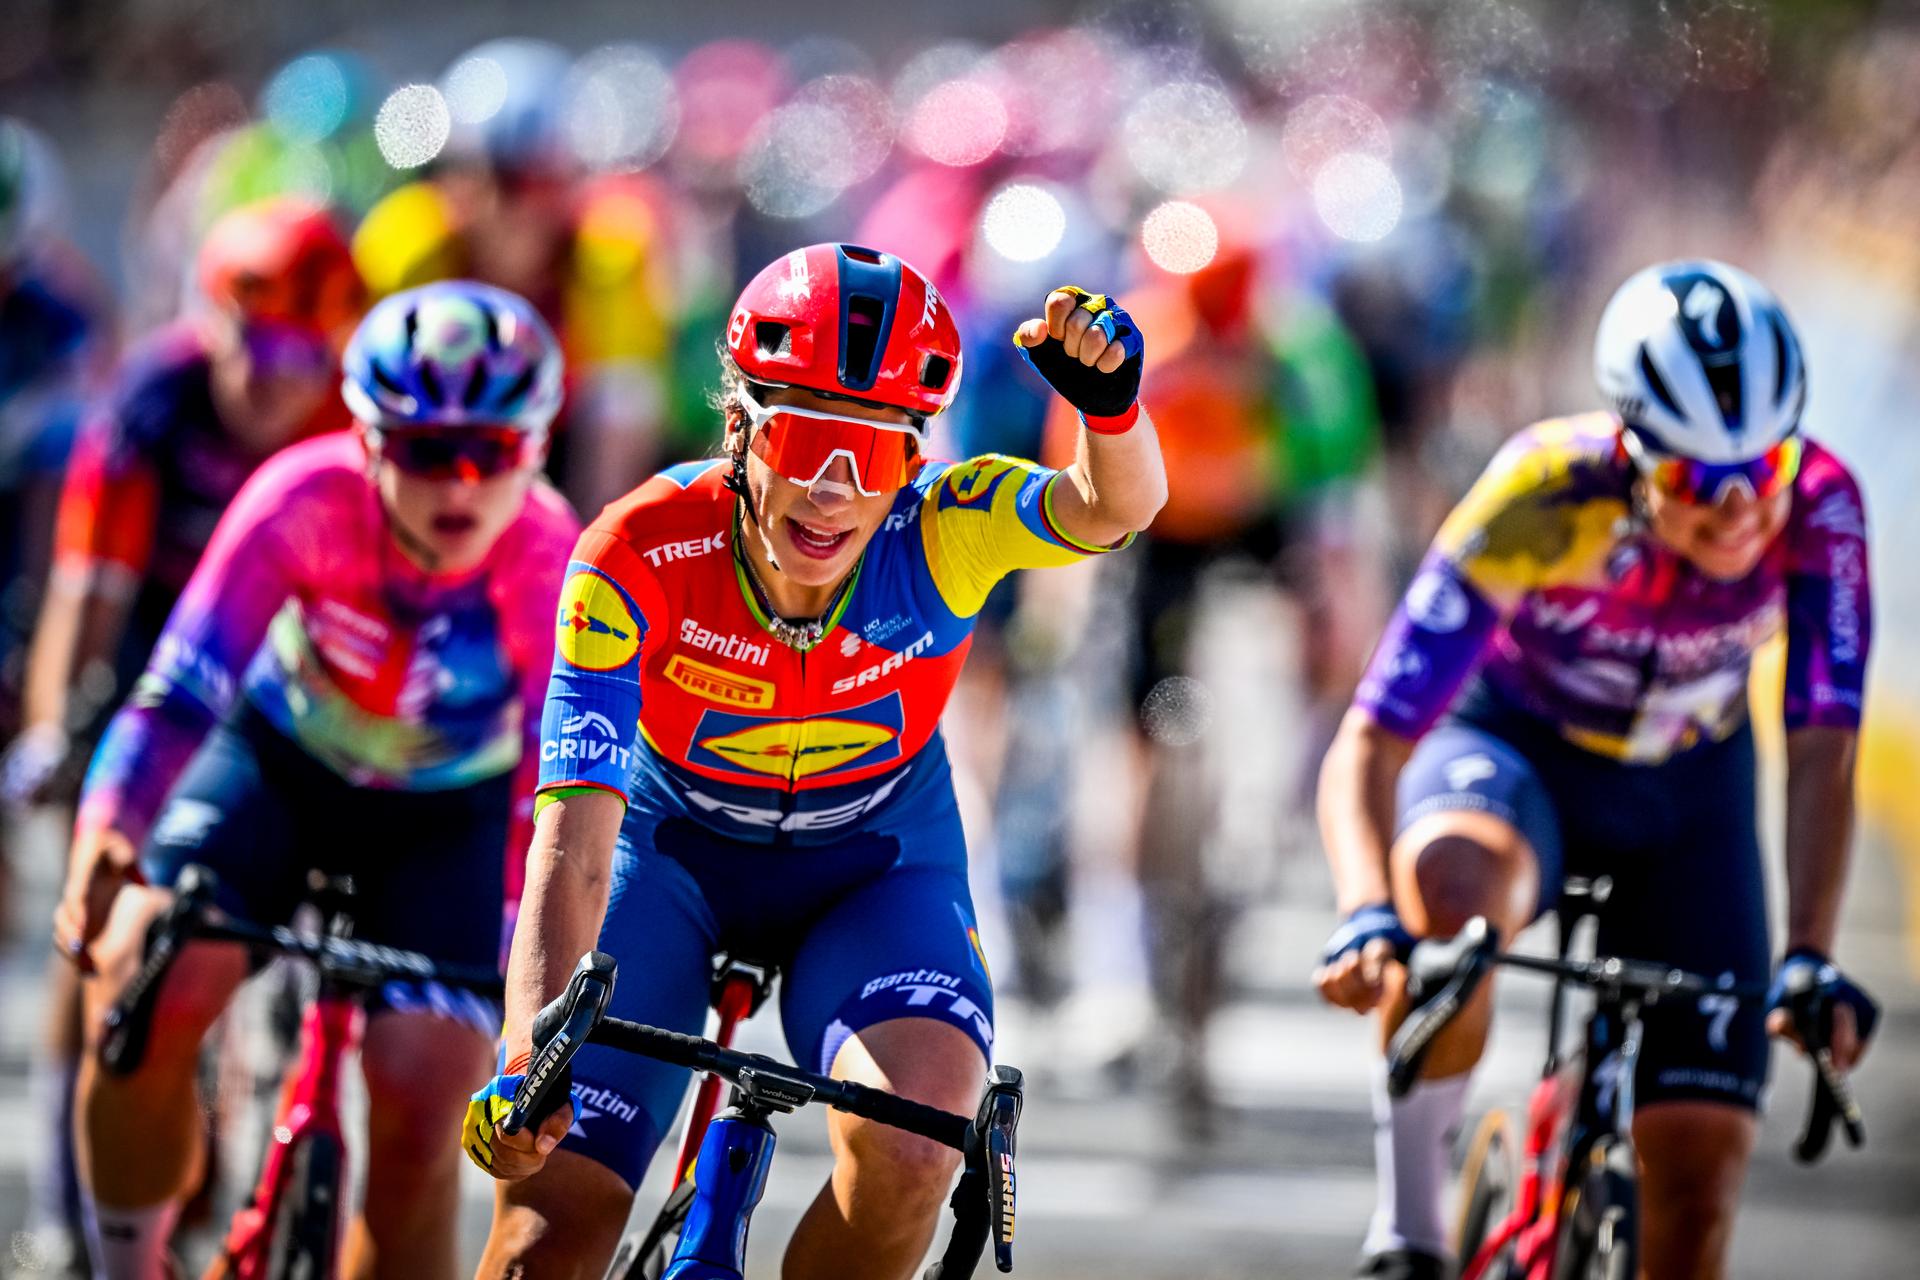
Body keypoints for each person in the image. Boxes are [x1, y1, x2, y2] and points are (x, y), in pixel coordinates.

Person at [462, 243, 1166, 1279]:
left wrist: (1109, 412)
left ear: (914, 462)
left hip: (872, 870)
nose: (834, 491)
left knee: (917, 1148)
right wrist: (531, 1053)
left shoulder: (943, 530)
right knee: (544, 1234)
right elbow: (572, 845)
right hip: (667, 861)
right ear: (739, 428)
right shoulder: (635, 550)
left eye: (873, 455)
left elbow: (1113, 507)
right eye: (804, 439)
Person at [1313, 259, 1879, 1280]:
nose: (1740, 509)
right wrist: (1365, 912)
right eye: (1698, 481)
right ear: (1632, 449)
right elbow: (1373, 737)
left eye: (1765, 467)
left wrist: (1808, 951)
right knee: (1449, 901)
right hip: (1514, 751)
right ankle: (1410, 1231)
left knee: (1697, 1194)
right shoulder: (1545, 492)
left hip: (1689, 791)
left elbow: (1822, 742)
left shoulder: (1822, 507)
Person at [53, 281, 580, 1280]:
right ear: (369, 441)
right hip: (278, 767)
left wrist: (524, 956)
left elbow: (557, 793)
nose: (461, 483)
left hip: (449, 815)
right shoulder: (300, 498)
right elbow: (177, 697)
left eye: (493, 450)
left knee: (427, 1099)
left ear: (538, 447)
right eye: (426, 450)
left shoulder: (551, 559)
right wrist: (107, 829)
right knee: (143, 981)